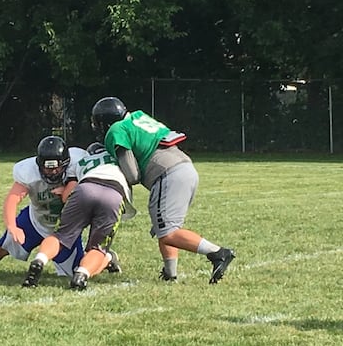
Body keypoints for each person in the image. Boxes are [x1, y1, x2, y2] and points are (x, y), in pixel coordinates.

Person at [91, 97, 235, 284]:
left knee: (168, 231)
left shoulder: (116, 130)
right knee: (165, 227)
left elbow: (132, 174)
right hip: (186, 167)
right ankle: (170, 273)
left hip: (167, 174)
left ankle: (217, 253)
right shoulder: (137, 117)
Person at [0, 136, 92, 287]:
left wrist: (68, 190)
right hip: (36, 220)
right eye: (48, 168)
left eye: (56, 168)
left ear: (66, 164)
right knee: (3, 246)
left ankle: (107, 258)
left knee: (79, 270)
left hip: (63, 229)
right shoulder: (29, 173)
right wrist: (12, 227)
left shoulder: (77, 165)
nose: (53, 172)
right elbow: (12, 199)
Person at [26, 142, 136, 290]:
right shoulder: (121, 161)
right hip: (113, 193)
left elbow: (67, 194)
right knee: (98, 248)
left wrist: (64, 191)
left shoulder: (83, 161)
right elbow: (134, 175)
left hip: (85, 188)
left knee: (60, 236)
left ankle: (40, 259)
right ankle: (81, 275)